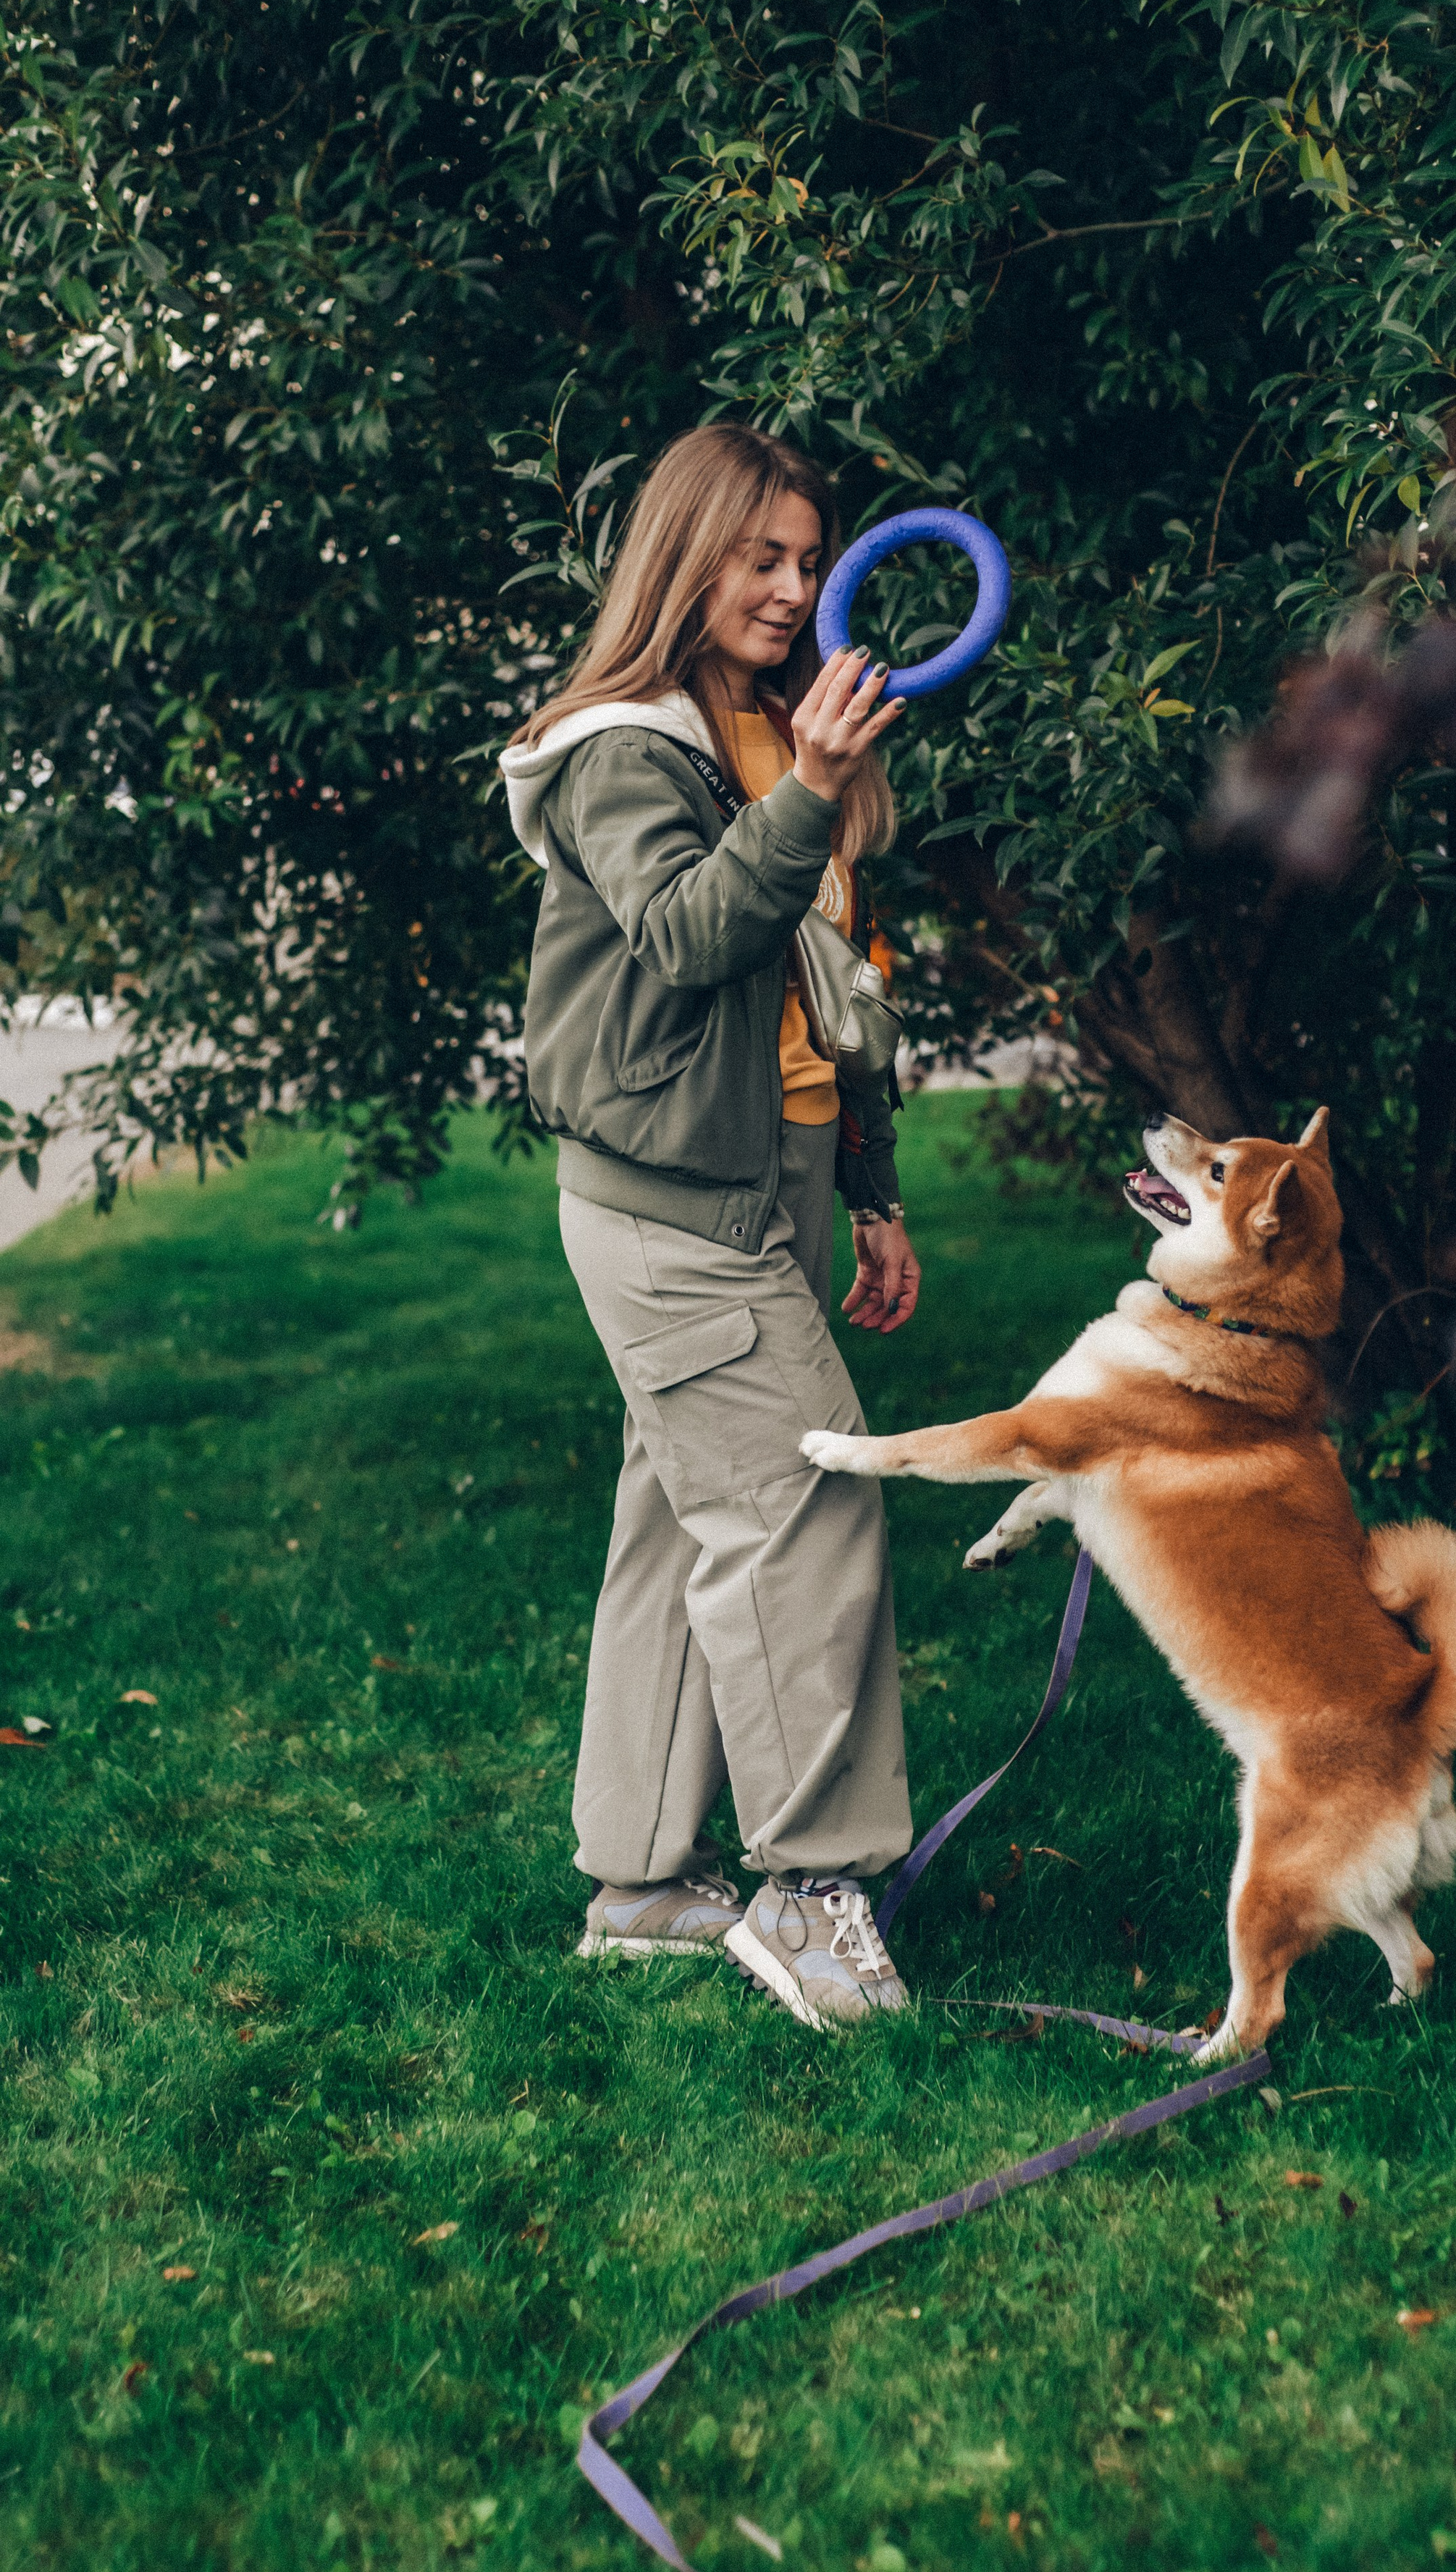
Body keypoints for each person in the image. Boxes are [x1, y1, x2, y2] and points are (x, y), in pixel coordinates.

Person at [500, 424, 921, 2030]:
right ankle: (812, 1898)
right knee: (808, 1514)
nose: (792, 586)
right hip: (672, 1205)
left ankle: (642, 1884)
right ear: (687, 555)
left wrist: (871, 1186)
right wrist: (809, 784)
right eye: (760, 556)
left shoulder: (771, 724)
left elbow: (838, 983)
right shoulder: (625, 744)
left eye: (808, 560)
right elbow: (684, 936)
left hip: (782, 1174)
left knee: (685, 1518)